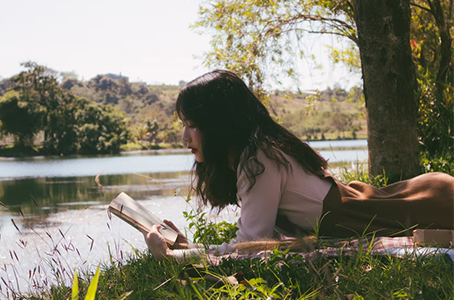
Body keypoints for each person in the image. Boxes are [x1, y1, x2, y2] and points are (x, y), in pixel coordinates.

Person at [143, 70, 454, 260]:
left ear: (219, 125)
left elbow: (251, 246)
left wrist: (183, 254)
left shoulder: (259, 159)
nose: (184, 136)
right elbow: (261, 240)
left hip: (431, 205)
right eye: (183, 124)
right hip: (407, 200)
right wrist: (187, 246)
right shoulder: (255, 153)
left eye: (192, 124)